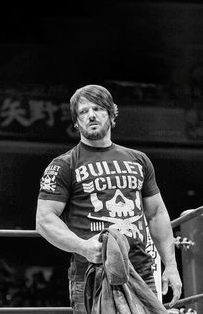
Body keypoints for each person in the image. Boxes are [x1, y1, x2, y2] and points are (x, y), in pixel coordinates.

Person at [36, 84, 182, 313]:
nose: (91, 115)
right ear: (76, 122)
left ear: (111, 115)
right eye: (83, 112)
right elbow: (44, 220)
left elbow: (156, 214)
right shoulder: (64, 165)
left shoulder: (138, 160)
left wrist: (171, 265)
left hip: (141, 271)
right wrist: (84, 248)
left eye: (98, 108)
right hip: (90, 274)